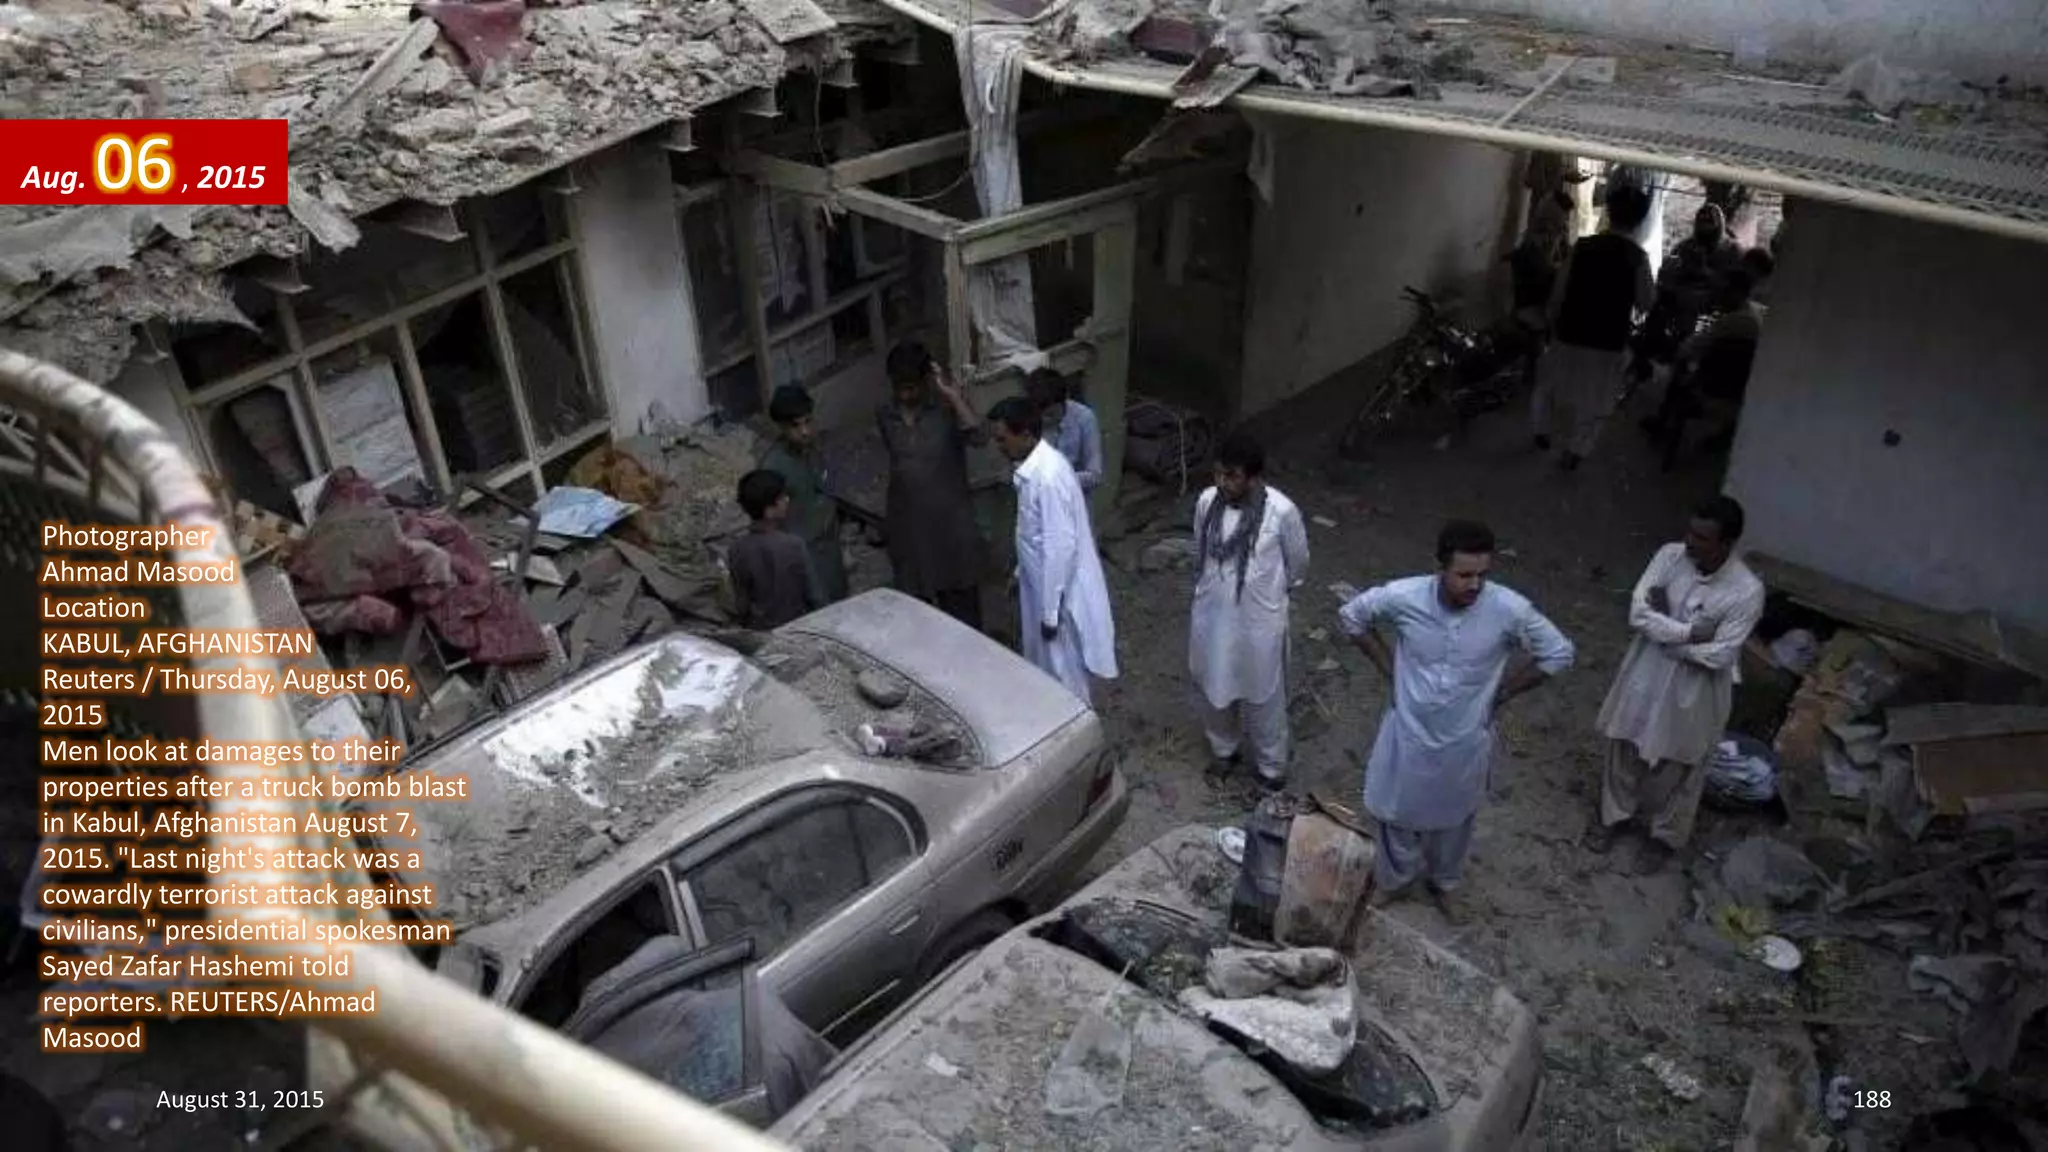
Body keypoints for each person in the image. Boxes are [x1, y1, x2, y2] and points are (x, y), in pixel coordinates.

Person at [1338, 520, 1574, 920]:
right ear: (1439, 567)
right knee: (1395, 811)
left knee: (1455, 818)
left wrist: (1504, 692)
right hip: (1409, 730)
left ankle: (1445, 882)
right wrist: (1389, 669)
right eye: (1464, 574)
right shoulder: (1403, 596)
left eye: (1483, 575)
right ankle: (1395, 881)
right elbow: (1351, 617)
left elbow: (1559, 652)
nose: (1475, 585)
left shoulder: (1508, 609)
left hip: (1465, 737)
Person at [1588, 496, 1765, 874]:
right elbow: (1638, 612)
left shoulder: (1746, 591)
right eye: (1690, 531)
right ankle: (1612, 816)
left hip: (1697, 689)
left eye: (1702, 537)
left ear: (1727, 543)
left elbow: (1720, 655)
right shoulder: (1670, 555)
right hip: (1647, 672)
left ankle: (1663, 838)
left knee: (1681, 765)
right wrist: (1689, 632)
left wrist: (1664, 626)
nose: (1690, 542)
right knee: (1625, 742)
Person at [1190, 431, 1310, 792]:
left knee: (1264, 697)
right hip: (1212, 616)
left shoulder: (1282, 511)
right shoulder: (1206, 502)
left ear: (1254, 478)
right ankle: (1224, 751)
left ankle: (1271, 770)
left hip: (1260, 622)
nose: (1223, 483)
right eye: (1219, 474)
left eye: (1233, 476)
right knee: (1215, 686)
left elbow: (1298, 565)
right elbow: (1201, 547)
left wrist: (1264, 593)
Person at [986, 395, 1117, 707]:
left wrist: (1049, 613)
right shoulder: (1032, 471)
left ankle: (1079, 738)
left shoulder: (1048, 477)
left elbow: (1060, 548)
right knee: (1047, 669)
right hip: (1040, 587)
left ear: (1026, 435)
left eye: (1003, 440)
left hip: (1058, 596)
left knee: (1065, 673)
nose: (999, 447)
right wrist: (1020, 572)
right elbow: (1034, 536)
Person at [1531, 180, 1653, 470]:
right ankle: (1576, 450)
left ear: (1609, 213)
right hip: (1607, 341)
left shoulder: (1583, 247)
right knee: (1595, 401)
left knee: (1548, 385)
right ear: (1639, 221)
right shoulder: (1638, 258)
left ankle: (1541, 431)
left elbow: (1559, 289)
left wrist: (1550, 318)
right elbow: (1646, 303)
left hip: (1570, 331)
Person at [878, 341, 987, 630]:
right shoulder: (885, 415)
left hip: (950, 528)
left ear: (926, 381)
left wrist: (951, 394)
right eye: (900, 387)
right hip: (909, 528)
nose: (905, 394)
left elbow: (980, 437)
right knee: (919, 613)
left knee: (962, 611)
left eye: (912, 387)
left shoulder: (945, 411)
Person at [758, 385, 847, 604]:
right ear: (781, 427)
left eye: (808, 421)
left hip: (829, 549)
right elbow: (769, 524)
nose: (805, 431)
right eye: (795, 426)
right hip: (802, 556)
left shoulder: (814, 450)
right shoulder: (773, 467)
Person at [726, 469, 820, 631]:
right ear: (769, 509)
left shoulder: (736, 549)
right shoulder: (794, 545)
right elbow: (815, 597)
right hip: (798, 630)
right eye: (782, 497)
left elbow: (741, 604)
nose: (787, 500)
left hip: (759, 632)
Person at [1024, 368, 1104, 492]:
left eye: (1050, 414)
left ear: (1064, 400)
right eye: (1040, 414)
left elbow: (1095, 475)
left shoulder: (1084, 418)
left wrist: (1056, 480)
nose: (1044, 419)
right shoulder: (1030, 417)